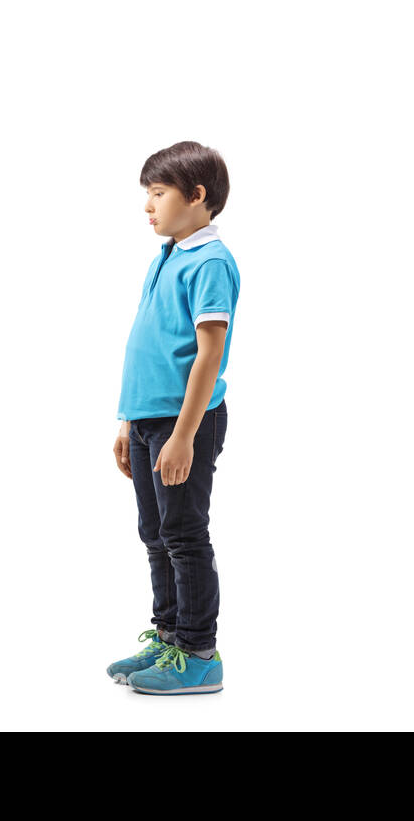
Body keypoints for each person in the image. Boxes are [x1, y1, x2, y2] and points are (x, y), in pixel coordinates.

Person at [106, 141, 239, 695]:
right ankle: (168, 638)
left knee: (184, 535)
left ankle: (198, 653)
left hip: (184, 423)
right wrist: (126, 422)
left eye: (157, 194)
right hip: (147, 420)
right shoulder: (169, 255)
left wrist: (183, 436)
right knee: (156, 535)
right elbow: (151, 345)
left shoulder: (210, 261)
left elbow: (209, 354)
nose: (148, 207)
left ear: (197, 196)